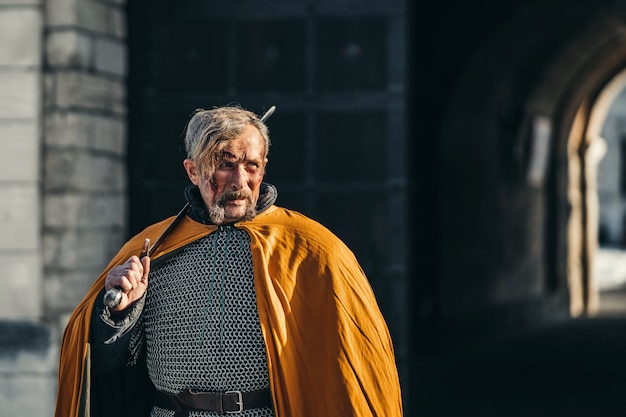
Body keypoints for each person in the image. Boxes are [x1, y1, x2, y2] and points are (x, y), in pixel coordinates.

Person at [54, 105, 403, 417]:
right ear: (193, 171)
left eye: (252, 165)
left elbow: (354, 367)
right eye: (225, 165)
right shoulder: (153, 251)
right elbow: (106, 368)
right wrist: (115, 315)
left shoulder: (312, 250)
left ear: (263, 168)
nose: (240, 181)